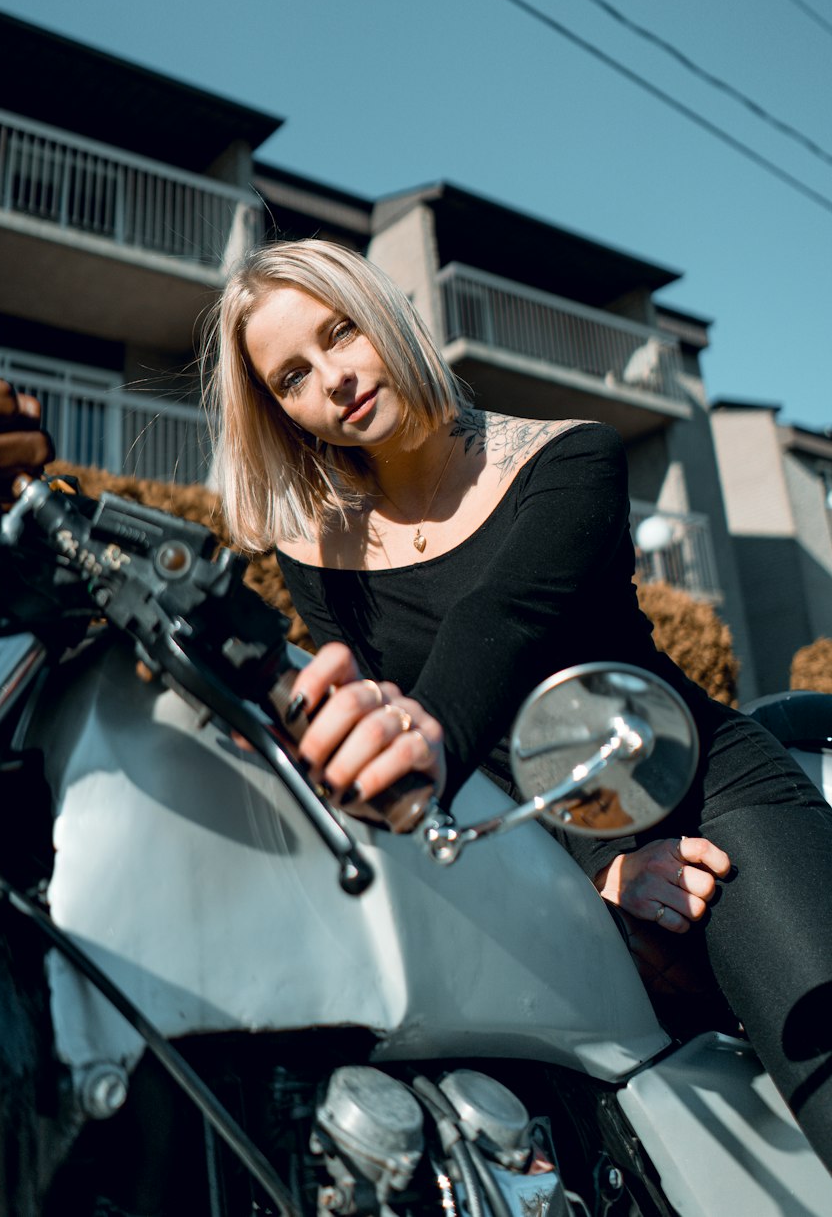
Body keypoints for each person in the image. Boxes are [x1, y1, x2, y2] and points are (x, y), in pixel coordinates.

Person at [203, 237, 832, 1168]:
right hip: (528, 854)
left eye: (341, 334)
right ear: (281, 411)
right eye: (293, 375)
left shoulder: (568, 459)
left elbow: (505, 623)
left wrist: (424, 731)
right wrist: (593, 873)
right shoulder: (318, 555)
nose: (332, 380)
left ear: (386, 316)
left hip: (707, 799)